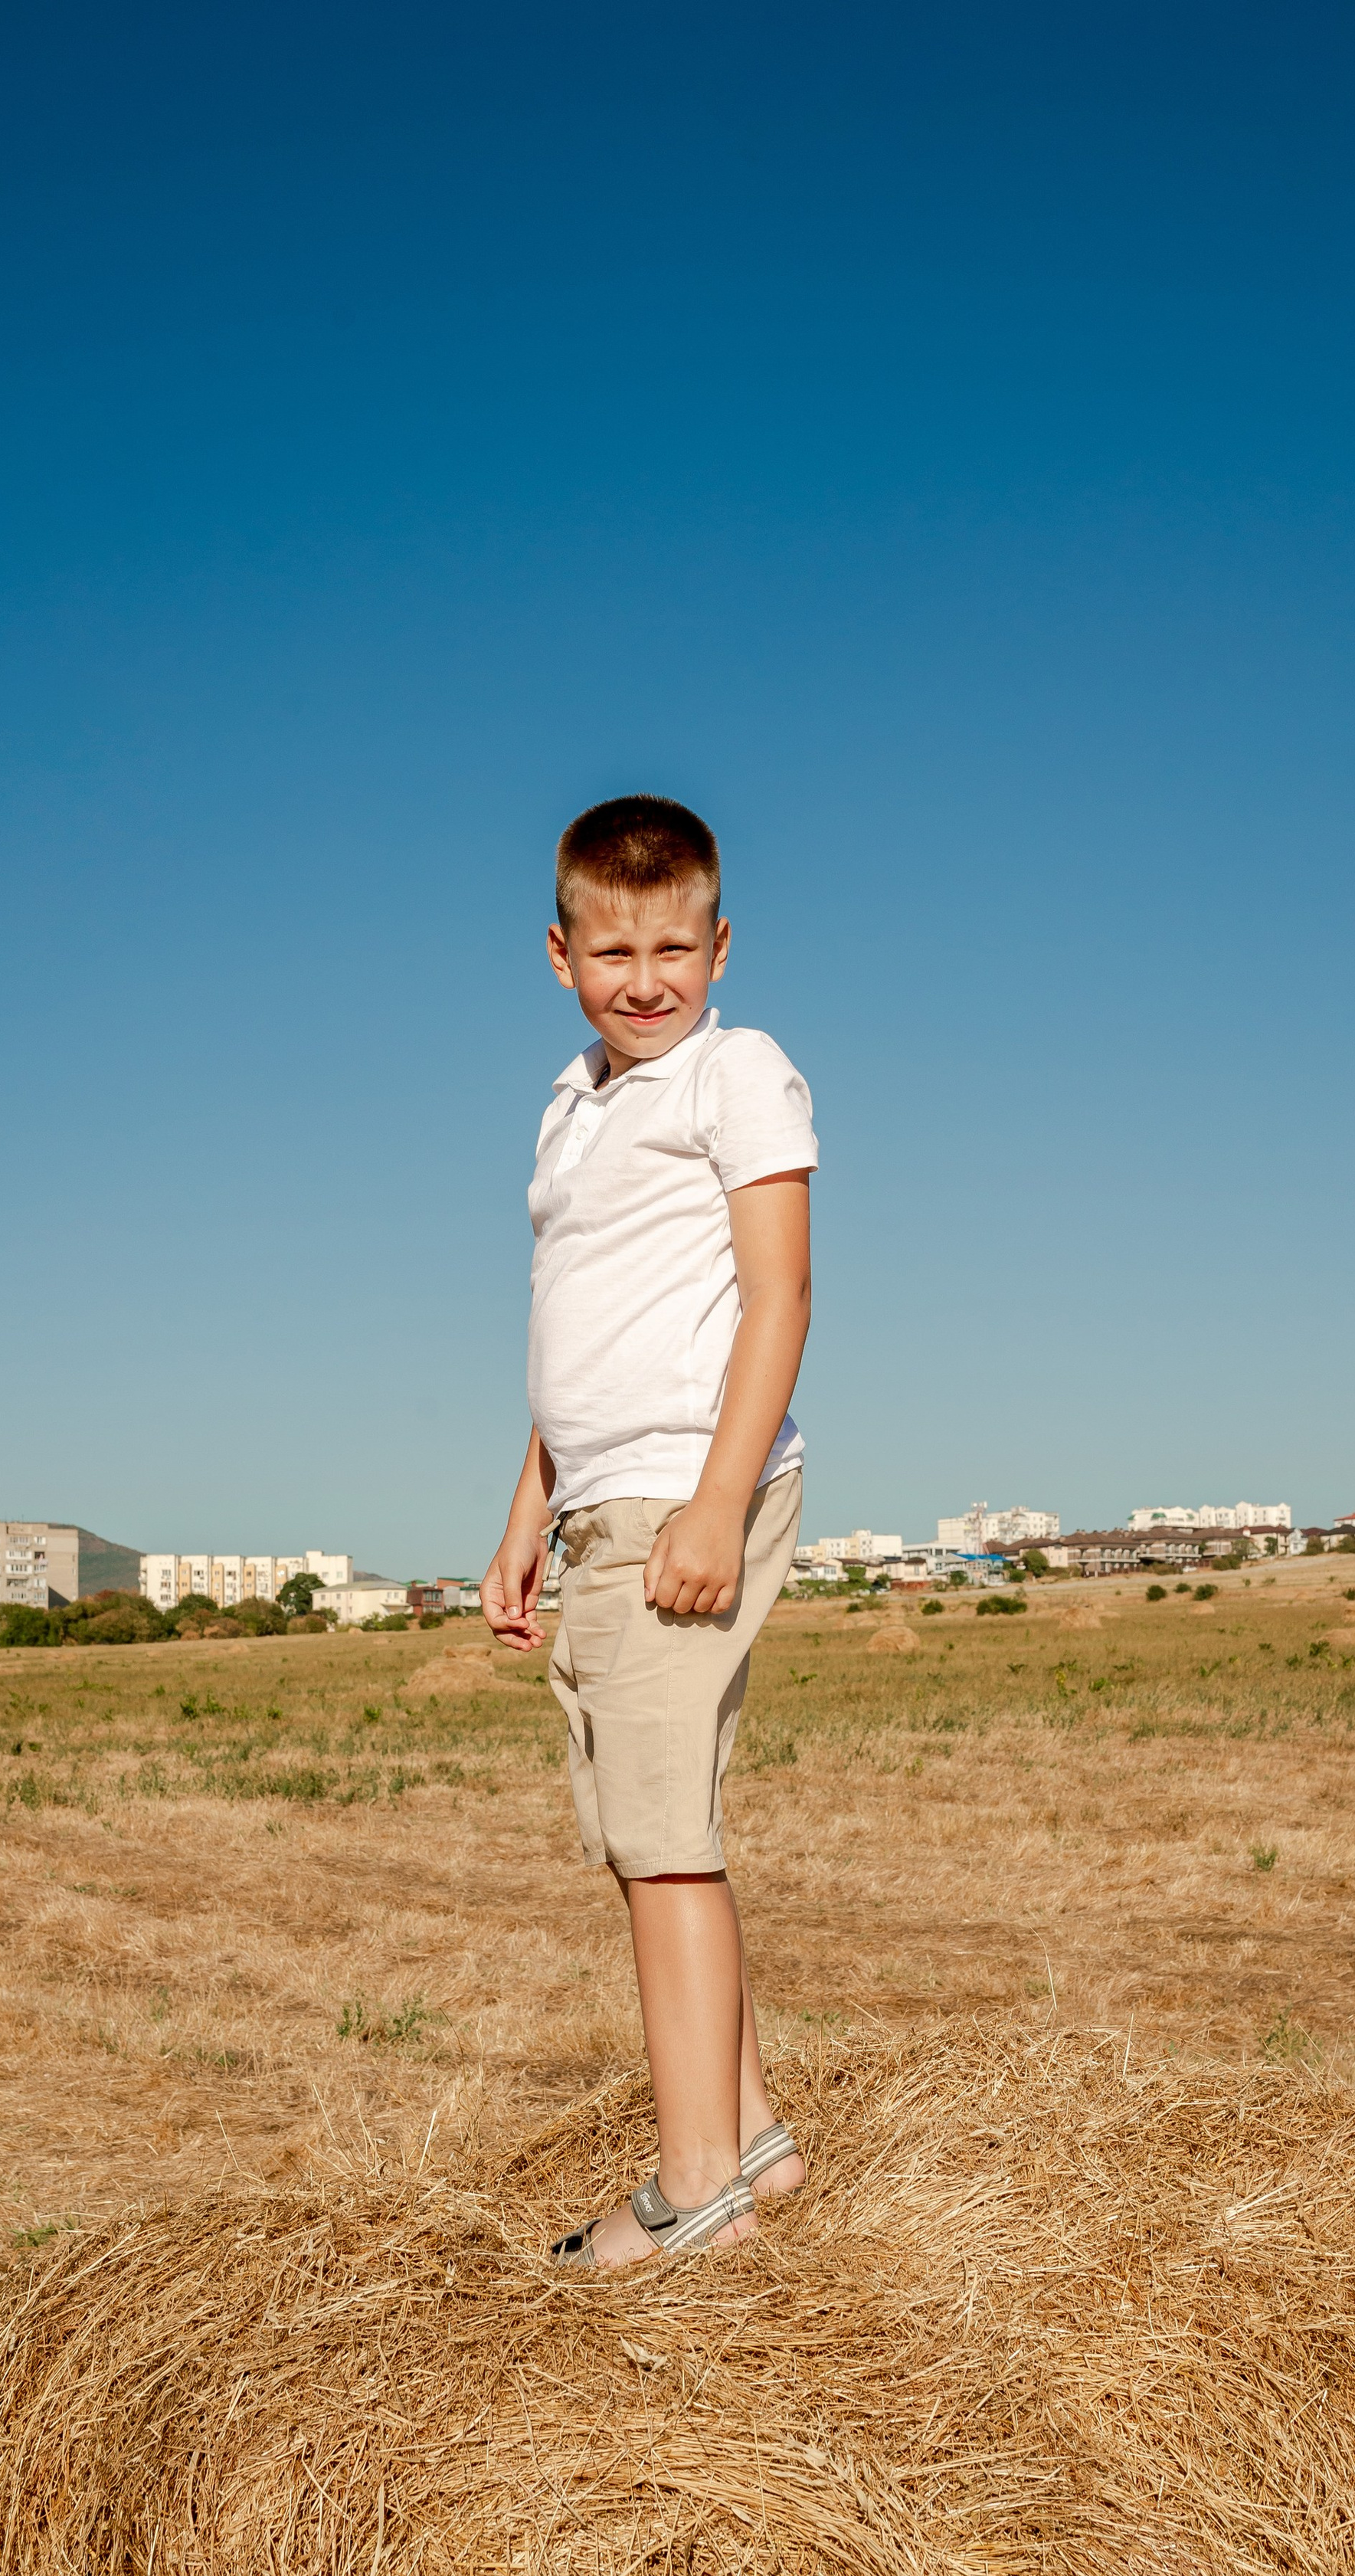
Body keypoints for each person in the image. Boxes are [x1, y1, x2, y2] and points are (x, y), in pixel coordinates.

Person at [481, 795, 817, 2271]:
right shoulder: (571, 1111)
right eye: (612, 948)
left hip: (690, 1493)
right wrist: (521, 1521)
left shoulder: (735, 1074)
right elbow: (573, 1340)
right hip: (598, 1509)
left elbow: (780, 1298)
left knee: (668, 1843)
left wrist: (719, 1505)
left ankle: (698, 2198)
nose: (645, 976)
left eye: (675, 944)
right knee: (639, 1838)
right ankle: (745, 2138)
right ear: (559, 954)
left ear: (720, 943)